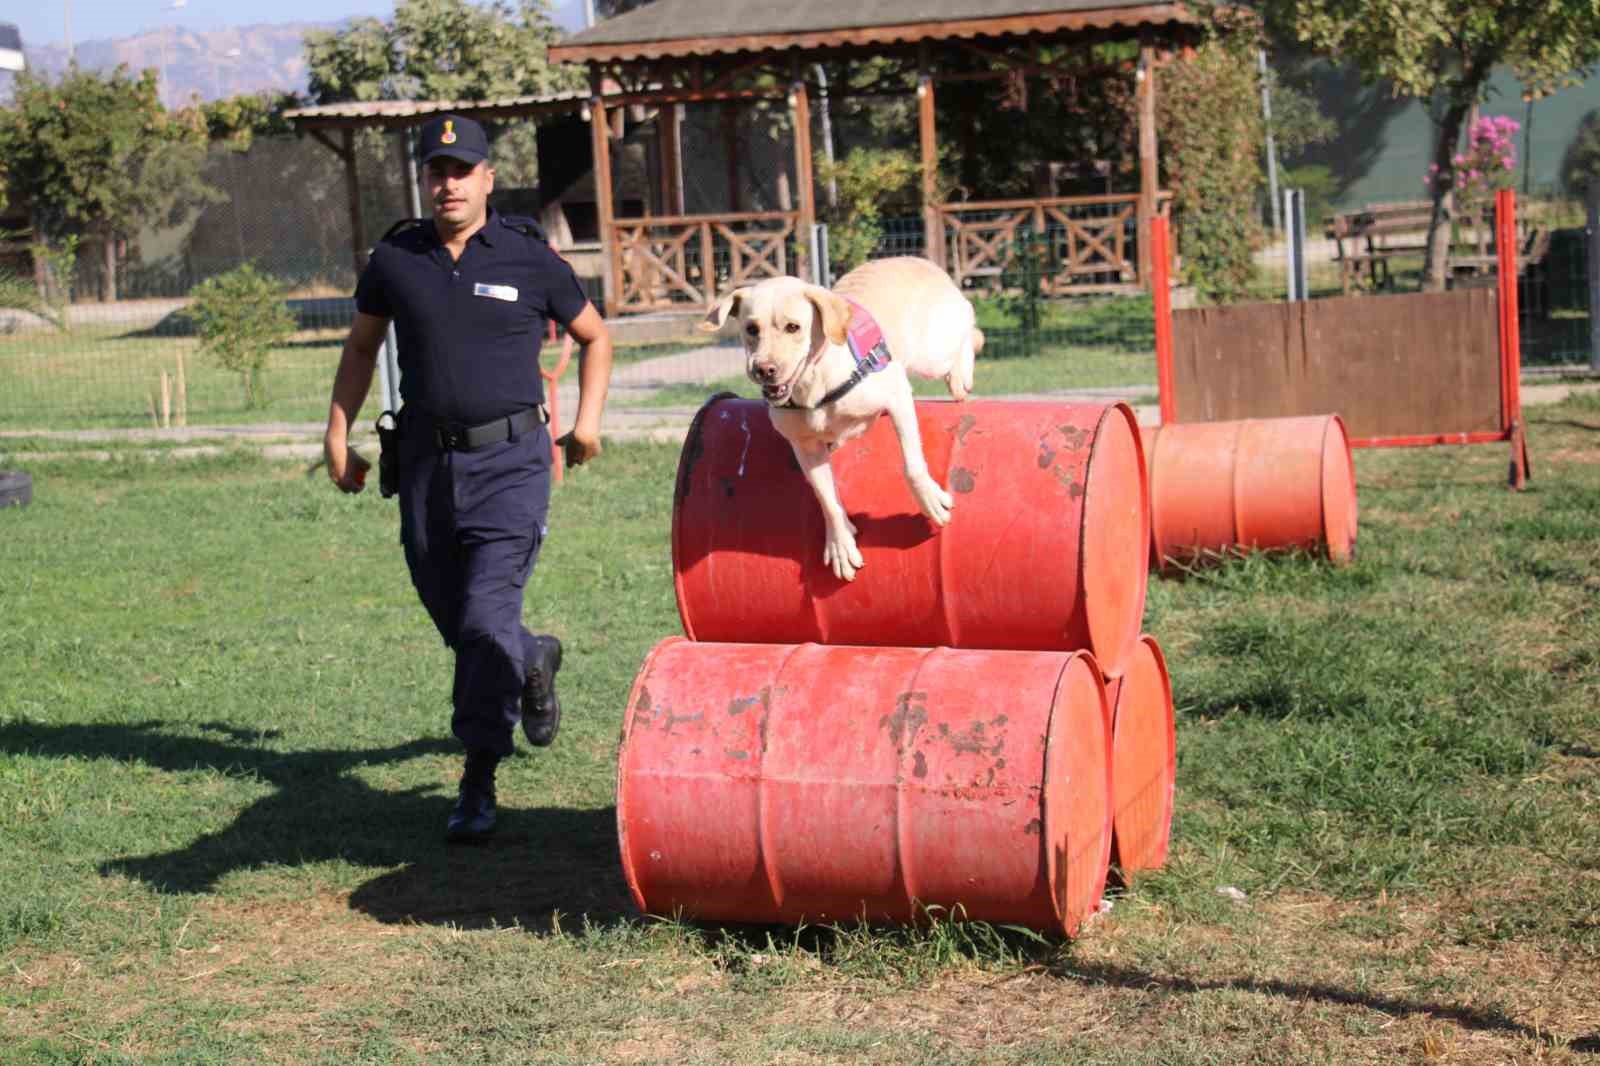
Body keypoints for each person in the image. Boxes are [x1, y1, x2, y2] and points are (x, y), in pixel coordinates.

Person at [322, 113, 613, 844]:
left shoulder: (526, 257)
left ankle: (478, 775)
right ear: (424, 179)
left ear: (488, 178)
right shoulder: (396, 259)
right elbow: (361, 349)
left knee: (484, 621)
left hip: (511, 464)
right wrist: (335, 433)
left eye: (462, 169)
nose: (447, 182)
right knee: (462, 623)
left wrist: (587, 422)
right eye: (436, 170)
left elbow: (595, 336)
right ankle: (533, 654)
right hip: (423, 466)